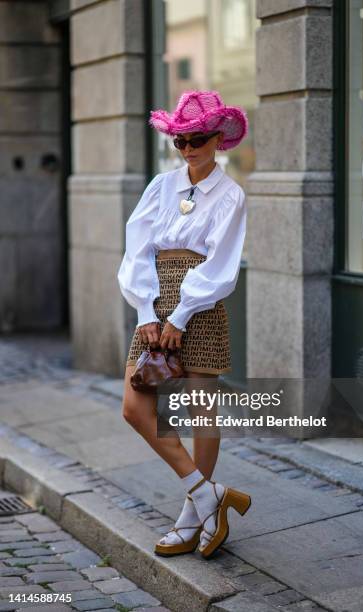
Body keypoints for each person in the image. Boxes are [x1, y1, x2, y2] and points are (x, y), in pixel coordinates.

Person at [117, 90, 251, 560]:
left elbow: (222, 265)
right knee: (135, 407)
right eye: (180, 140)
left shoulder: (231, 195)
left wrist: (181, 315)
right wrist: (149, 314)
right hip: (155, 305)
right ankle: (208, 494)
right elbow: (137, 249)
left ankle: (191, 518)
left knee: (200, 413)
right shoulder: (161, 185)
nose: (188, 147)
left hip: (202, 306)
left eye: (197, 138)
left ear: (218, 138)